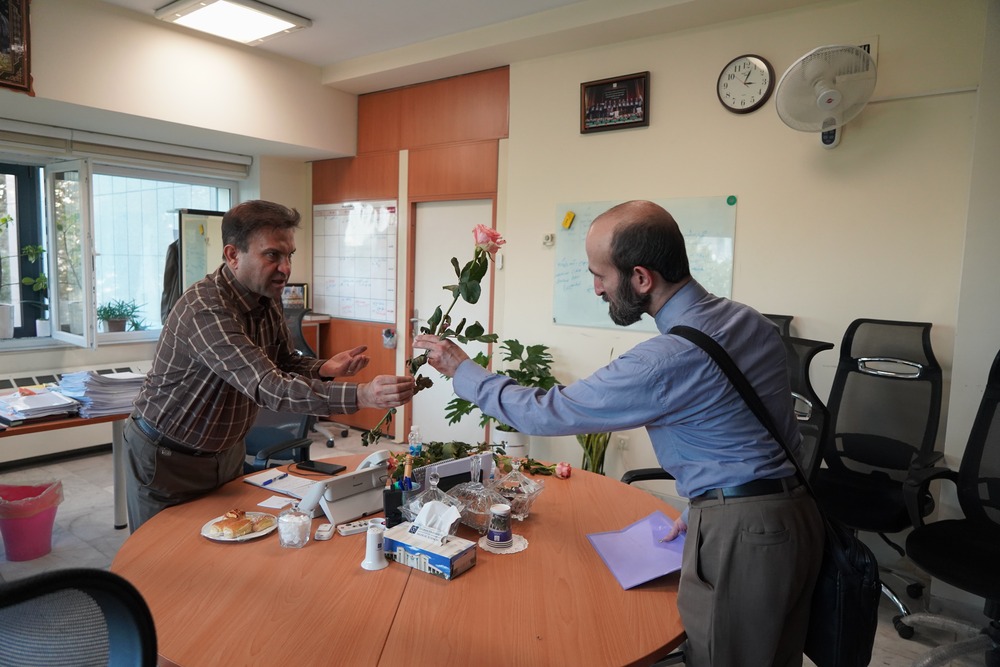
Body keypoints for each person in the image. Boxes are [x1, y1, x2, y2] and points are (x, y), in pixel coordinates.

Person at [414, 200, 824, 667]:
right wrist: (709, 505)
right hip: (796, 513)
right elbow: (764, 432)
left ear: (641, 278)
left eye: (600, 275)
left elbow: (548, 412)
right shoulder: (750, 320)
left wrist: (461, 369)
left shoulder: (665, 360)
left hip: (745, 537)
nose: (596, 288)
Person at [125, 200, 415, 531]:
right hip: (168, 458)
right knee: (161, 554)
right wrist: (362, 395)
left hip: (225, 453)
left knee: (230, 541)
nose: (285, 268)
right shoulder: (206, 309)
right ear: (233, 255)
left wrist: (324, 368)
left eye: (289, 255)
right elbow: (269, 386)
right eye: (273, 255)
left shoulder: (267, 297)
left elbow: (283, 362)